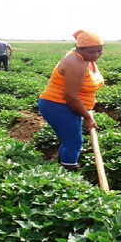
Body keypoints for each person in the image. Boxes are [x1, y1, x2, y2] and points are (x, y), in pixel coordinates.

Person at [38, 30, 105, 171]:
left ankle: (62, 166)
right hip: (57, 105)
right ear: (79, 48)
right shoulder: (75, 63)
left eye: (99, 51)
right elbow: (70, 96)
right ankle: (68, 173)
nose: (96, 55)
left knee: (71, 139)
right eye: (91, 52)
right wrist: (87, 117)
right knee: (74, 141)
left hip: (69, 106)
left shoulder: (85, 59)